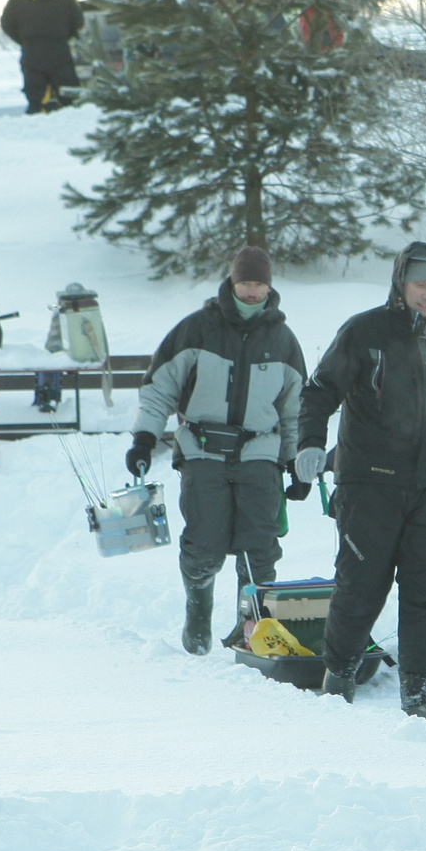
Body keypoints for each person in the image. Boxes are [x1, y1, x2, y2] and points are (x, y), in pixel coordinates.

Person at [298, 242, 426, 721]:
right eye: (420, 284)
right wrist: (312, 443)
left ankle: (423, 692)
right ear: (400, 282)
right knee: (362, 584)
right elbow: (319, 391)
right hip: (368, 483)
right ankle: (340, 674)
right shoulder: (364, 332)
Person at [126, 247, 308, 655]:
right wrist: (144, 438)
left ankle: (253, 626)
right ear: (232, 281)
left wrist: (297, 463)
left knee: (259, 547)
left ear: (269, 286)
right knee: (204, 544)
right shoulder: (197, 329)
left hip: (260, 453)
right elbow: (159, 389)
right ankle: (198, 609)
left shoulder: (283, 339)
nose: (252, 291)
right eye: (245, 282)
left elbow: (296, 408)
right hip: (202, 451)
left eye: (259, 283)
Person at [0, 0, 83, 114]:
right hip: (59, 49)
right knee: (67, 95)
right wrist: (65, 36)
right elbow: (78, 20)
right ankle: (69, 122)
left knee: (35, 96)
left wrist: (24, 40)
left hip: (31, 51)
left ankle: (36, 123)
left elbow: (6, 23)